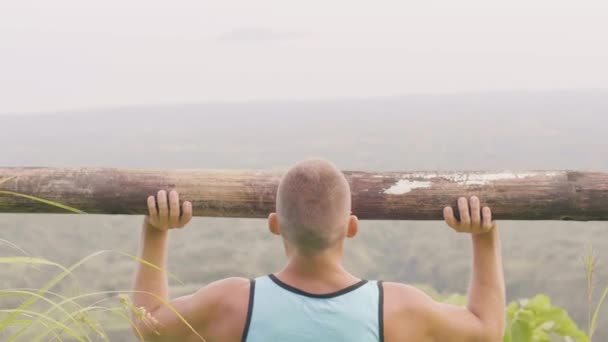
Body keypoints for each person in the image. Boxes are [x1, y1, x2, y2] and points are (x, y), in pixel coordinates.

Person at [131, 159, 505, 342]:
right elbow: (487, 329)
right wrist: (484, 236)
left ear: (275, 225)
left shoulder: (232, 302)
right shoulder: (396, 308)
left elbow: (145, 322)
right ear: (352, 228)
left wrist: (157, 231)